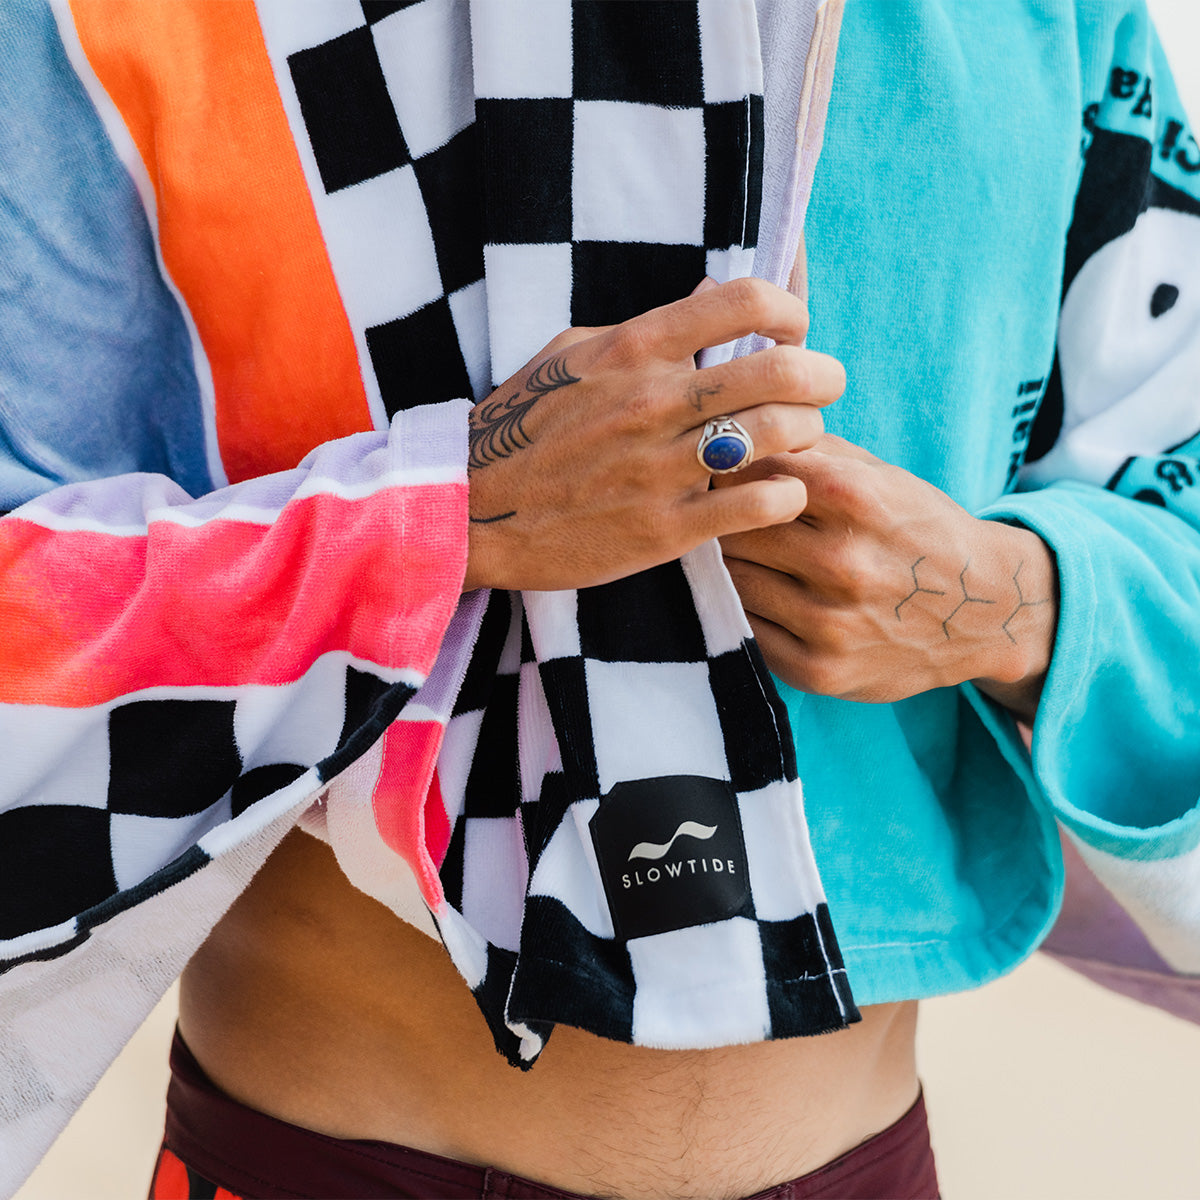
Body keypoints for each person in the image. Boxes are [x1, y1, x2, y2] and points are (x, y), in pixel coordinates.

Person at [2, 2, 1199, 1199]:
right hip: (322, 1162)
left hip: (869, 1163)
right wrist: (447, 513)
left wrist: (1015, 602)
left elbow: (1172, 484)